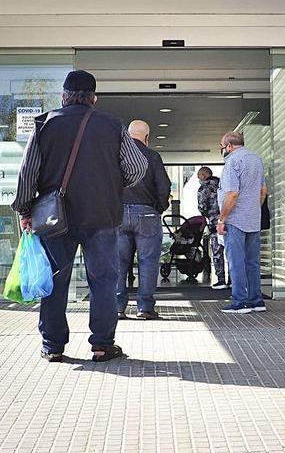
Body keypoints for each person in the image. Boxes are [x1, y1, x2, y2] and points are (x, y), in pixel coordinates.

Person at [11, 70, 148, 363]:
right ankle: (101, 345)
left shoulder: (45, 124)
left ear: (63, 96)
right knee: (103, 281)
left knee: (56, 281)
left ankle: (53, 346)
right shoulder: (112, 126)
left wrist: (25, 210)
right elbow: (137, 167)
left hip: (54, 218)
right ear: (94, 98)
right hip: (101, 215)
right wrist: (111, 183)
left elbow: (27, 174)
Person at [116, 120, 171, 320]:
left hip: (118, 213)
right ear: (147, 138)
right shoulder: (152, 156)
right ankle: (145, 308)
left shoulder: (117, 155)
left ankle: (117, 307)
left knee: (118, 262)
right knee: (148, 262)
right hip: (147, 214)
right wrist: (159, 207)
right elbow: (163, 186)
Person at [216, 132, 267, 314]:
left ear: (229, 146)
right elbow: (263, 191)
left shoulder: (232, 162)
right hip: (253, 218)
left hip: (235, 220)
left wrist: (222, 219)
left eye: (222, 147)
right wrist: (253, 209)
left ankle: (239, 301)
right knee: (252, 262)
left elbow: (231, 194)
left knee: (236, 261)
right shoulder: (256, 160)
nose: (223, 150)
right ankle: (256, 300)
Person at [197, 167, 228, 290]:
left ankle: (221, 280)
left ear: (204, 176)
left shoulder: (203, 188)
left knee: (217, 252)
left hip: (215, 223)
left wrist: (207, 215)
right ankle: (233, 280)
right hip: (228, 221)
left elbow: (202, 207)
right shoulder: (223, 185)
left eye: (199, 175)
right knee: (230, 252)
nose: (198, 178)